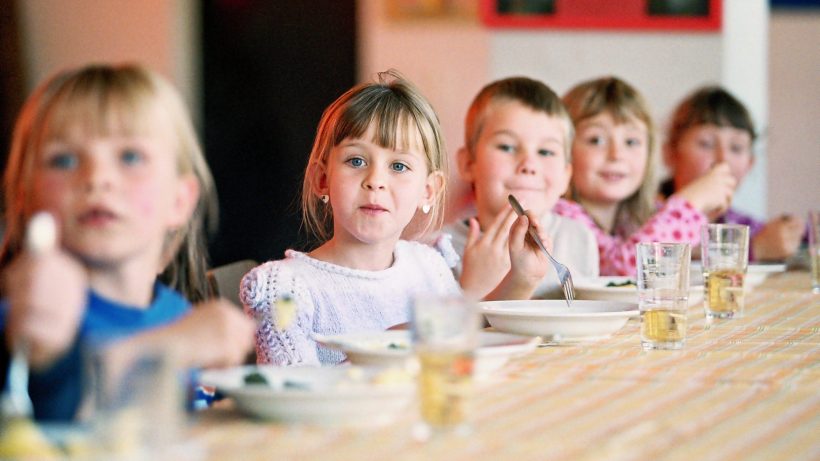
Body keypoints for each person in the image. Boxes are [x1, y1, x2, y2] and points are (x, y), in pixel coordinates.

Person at [240, 70, 549, 366]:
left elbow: (468, 330)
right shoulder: (284, 288)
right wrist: (390, 346)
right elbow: (292, 396)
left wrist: (522, 277)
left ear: (428, 191)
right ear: (322, 179)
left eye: (398, 166)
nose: (376, 180)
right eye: (356, 160)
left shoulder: (426, 265)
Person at [0, 63, 255, 422]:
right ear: (26, 197)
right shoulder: (28, 318)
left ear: (179, 200)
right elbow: (49, 412)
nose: (97, 177)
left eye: (130, 157)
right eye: (64, 159)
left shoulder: (175, 313)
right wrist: (173, 347)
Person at [554, 76, 736, 276]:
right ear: (564, 149)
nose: (616, 155)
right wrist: (690, 203)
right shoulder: (560, 216)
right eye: (596, 140)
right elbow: (621, 270)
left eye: (631, 142)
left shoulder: (632, 218)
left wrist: (703, 217)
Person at [444, 76, 598, 300]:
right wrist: (472, 292)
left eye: (546, 152)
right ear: (468, 163)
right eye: (506, 147)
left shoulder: (578, 238)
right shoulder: (437, 250)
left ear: (566, 176)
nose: (528, 165)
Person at [660, 86, 805, 261]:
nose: (723, 159)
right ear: (670, 154)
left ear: (750, 164)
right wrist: (754, 249)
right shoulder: (644, 216)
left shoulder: (740, 224)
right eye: (706, 144)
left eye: (736, 148)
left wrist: (795, 234)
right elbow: (659, 254)